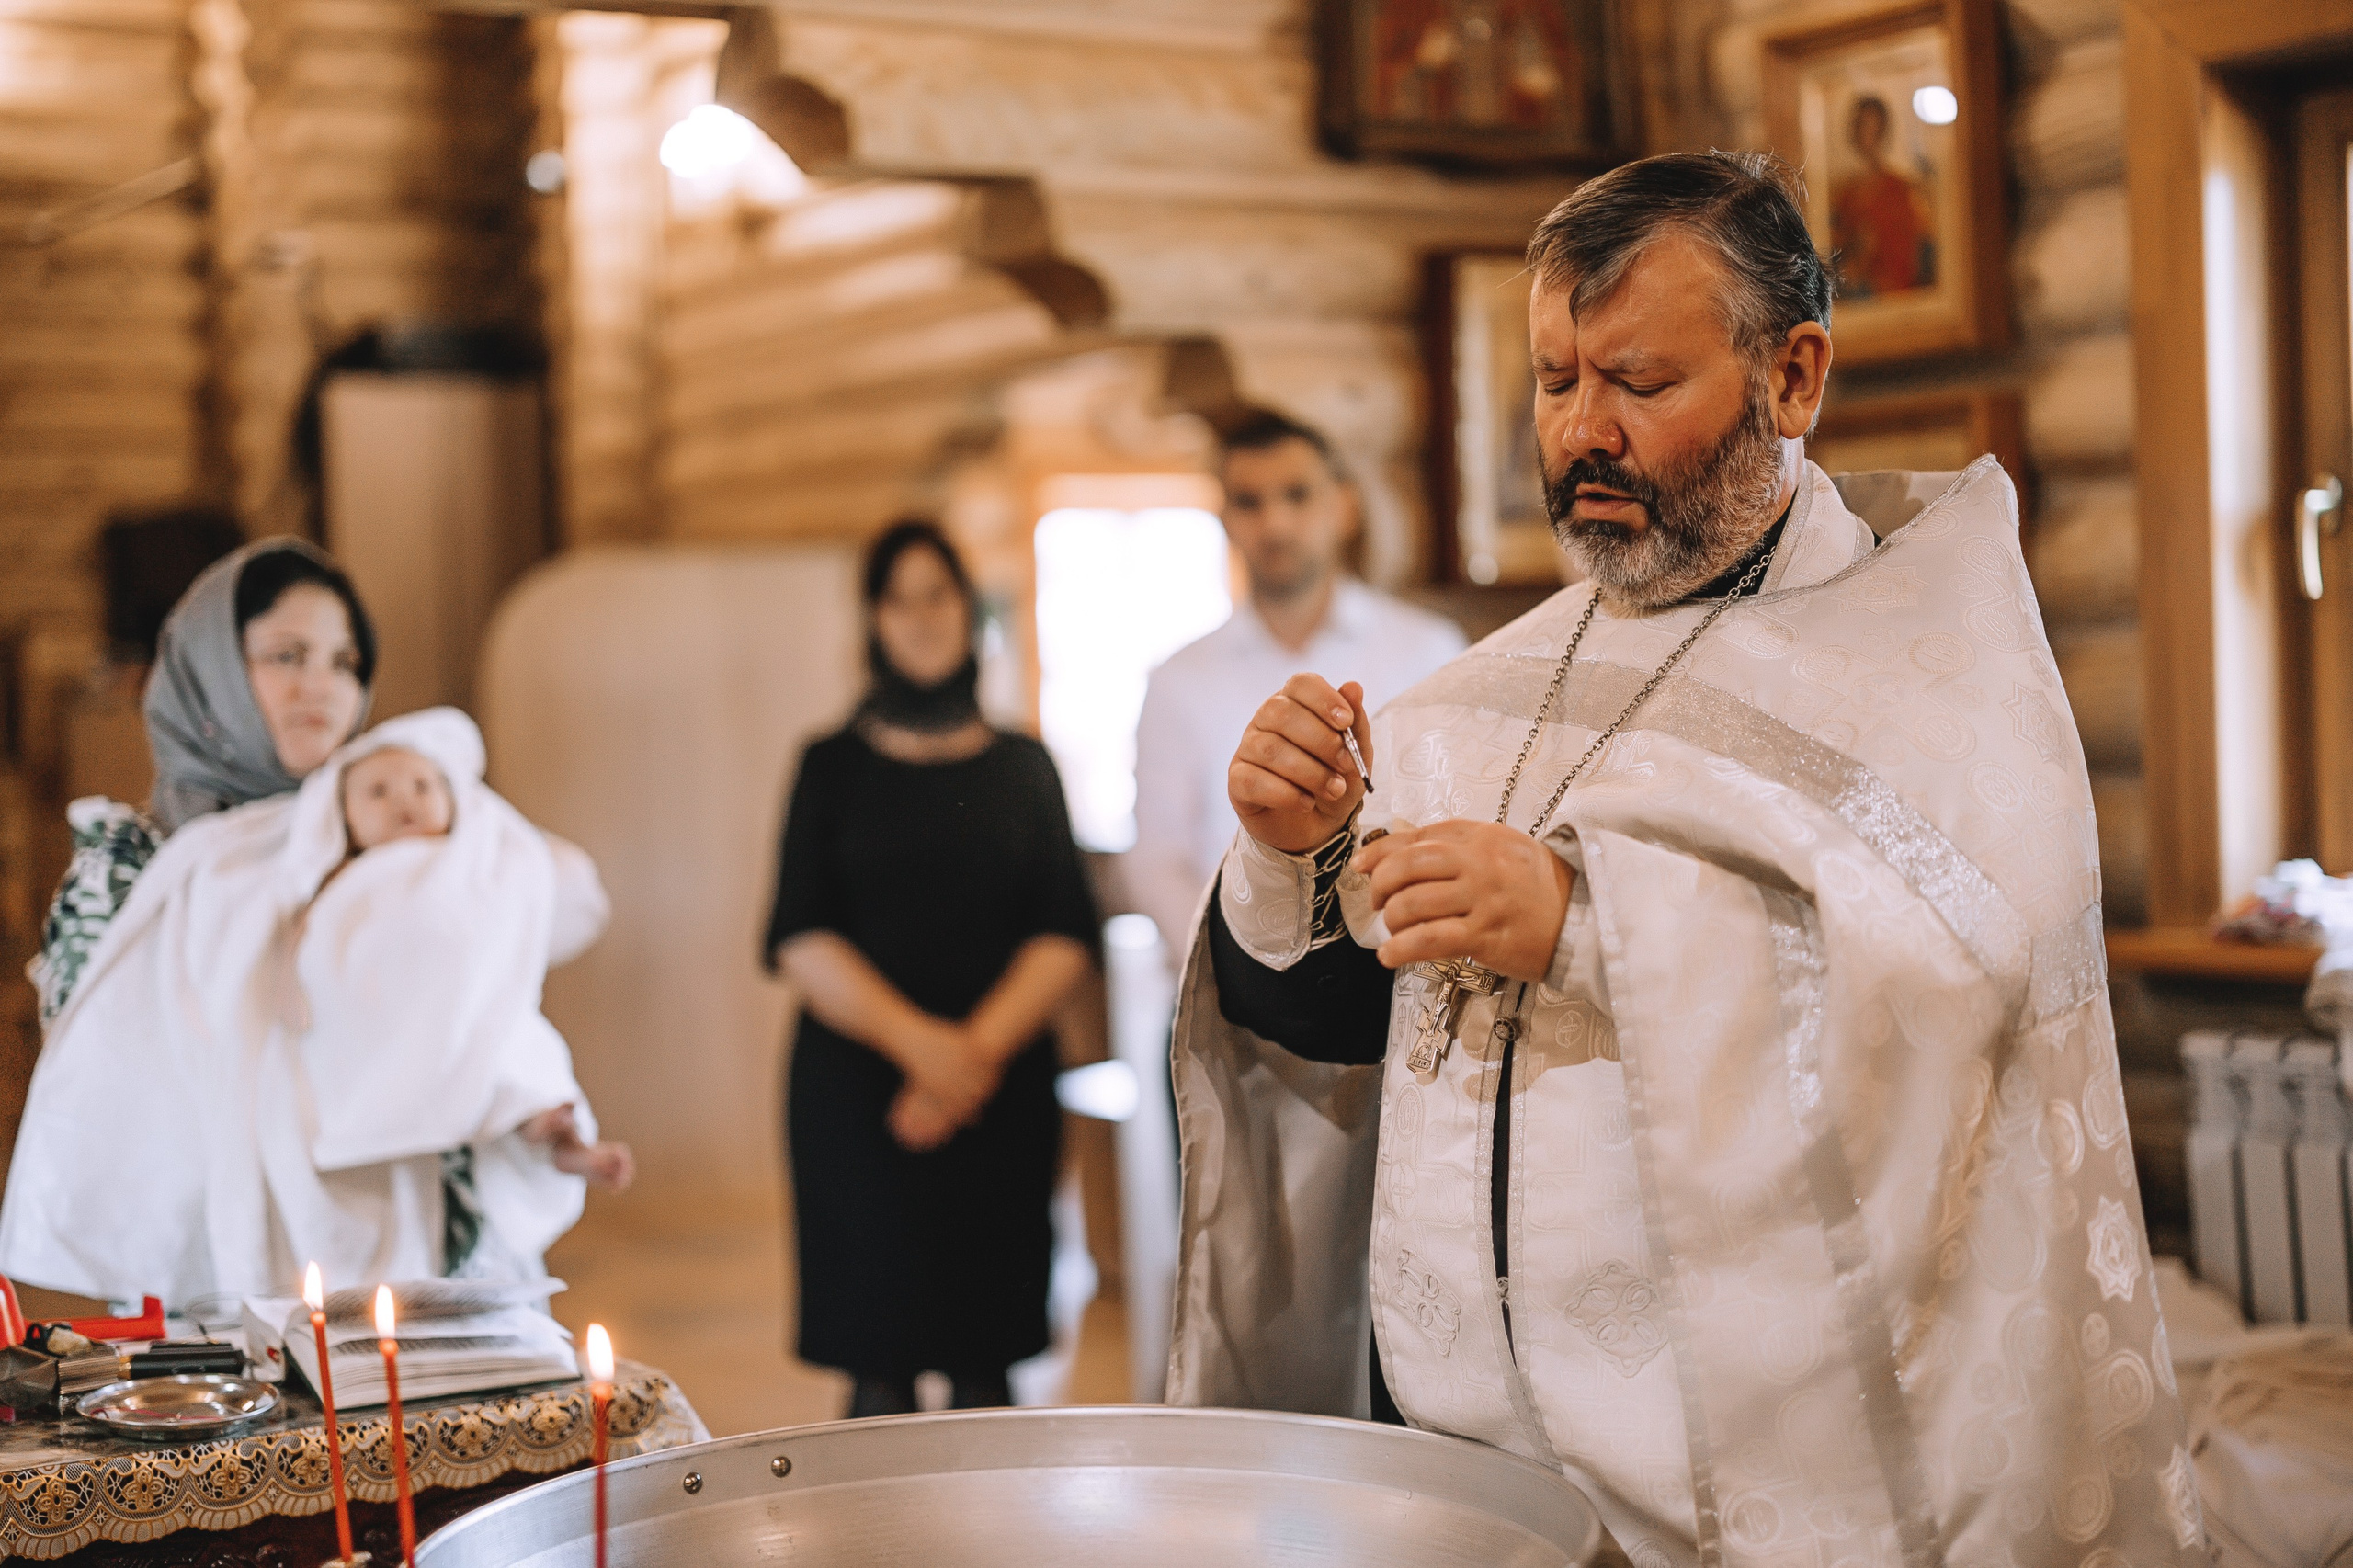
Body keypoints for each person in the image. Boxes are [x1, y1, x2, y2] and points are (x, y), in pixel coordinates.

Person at [1165, 153, 2196, 1567]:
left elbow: (1971, 988)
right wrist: (1294, 861)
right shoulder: (1482, 697)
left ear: (1793, 378)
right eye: (1552, 381)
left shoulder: (1932, 678)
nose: (1584, 429)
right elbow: (1346, 1036)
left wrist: (1588, 927)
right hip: (1467, 1458)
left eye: (1639, 384)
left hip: (1760, 1476)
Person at [6, 540, 613, 1303]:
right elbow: (112, 1080)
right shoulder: (131, 865)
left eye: (344, 660)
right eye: (287, 654)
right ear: (212, 672)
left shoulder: (397, 826)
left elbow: (479, 1009)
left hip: (422, 1260)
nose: (322, 686)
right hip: (213, 1295)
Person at [765, 520, 1097, 1418]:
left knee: (988, 1369)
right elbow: (800, 935)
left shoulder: (1025, 764)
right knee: (877, 1372)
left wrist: (969, 1057)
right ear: (873, 619)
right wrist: (926, 1051)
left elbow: (1064, 929)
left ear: (967, 608)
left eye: (936, 593)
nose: (919, 617)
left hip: (1002, 1093)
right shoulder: (827, 765)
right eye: (896, 597)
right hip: (858, 1095)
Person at [1129, 411, 1464, 951]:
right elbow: (1156, 858)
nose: (1275, 524)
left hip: (1399, 966)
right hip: (1233, 980)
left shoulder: (1429, 651)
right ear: (1224, 519)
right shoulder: (1176, 681)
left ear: (1344, 506)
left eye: (1297, 495)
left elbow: (1457, 813)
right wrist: (1233, 967)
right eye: (1248, 502)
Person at [1830, 94, 1935, 299]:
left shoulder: (1901, 189)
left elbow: (1911, 250)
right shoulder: (1845, 193)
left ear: (1883, 131)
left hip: (1895, 294)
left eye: (1873, 128)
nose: (1867, 135)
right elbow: (1838, 250)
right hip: (1857, 291)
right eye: (1861, 127)